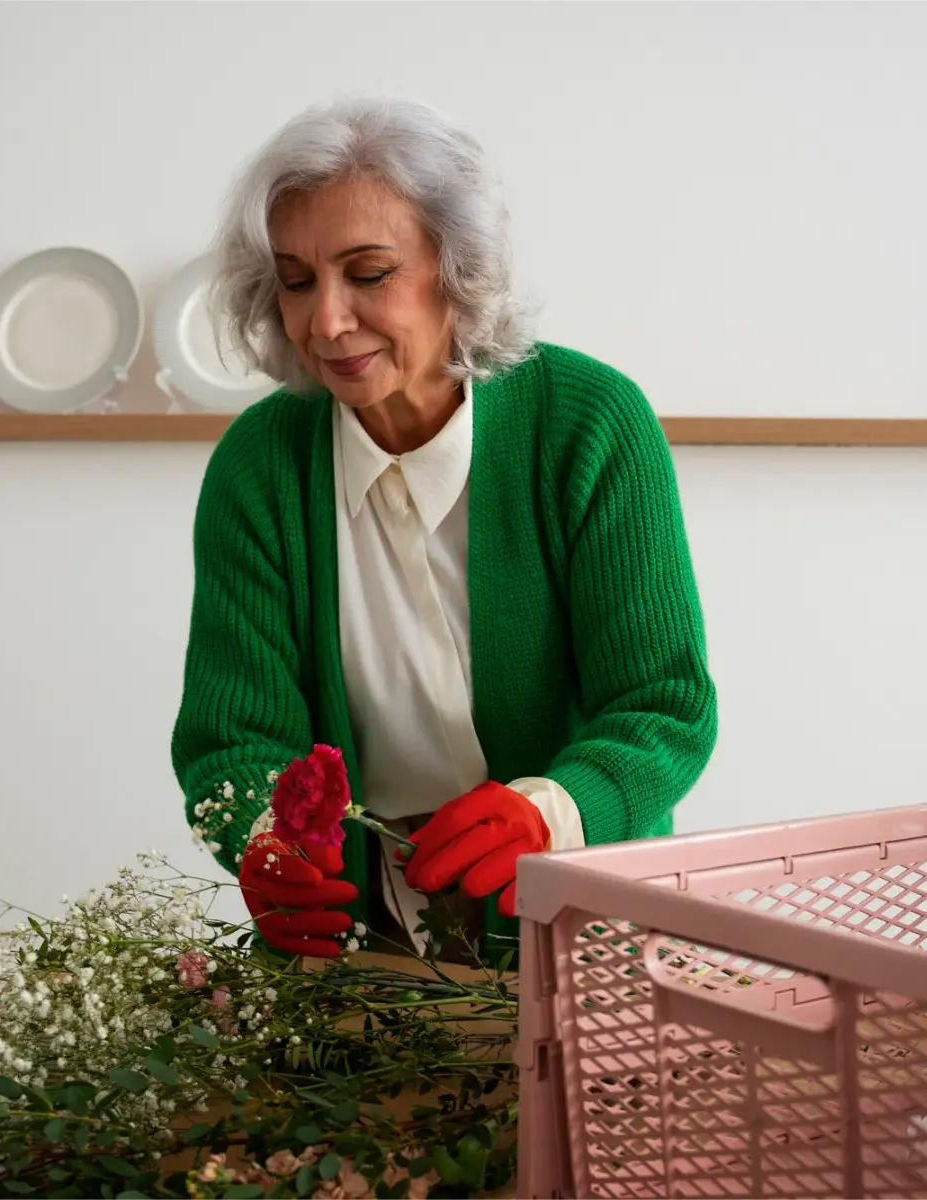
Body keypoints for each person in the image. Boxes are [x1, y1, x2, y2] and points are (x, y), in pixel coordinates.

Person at [171, 98, 717, 964]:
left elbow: (662, 706)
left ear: (455, 270)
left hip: (578, 903)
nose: (327, 321)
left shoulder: (590, 423)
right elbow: (232, 736)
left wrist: (549, 809)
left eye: (370, 272)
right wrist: (263, 843)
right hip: (353, 923)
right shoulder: (260, 462)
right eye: (298, 279)